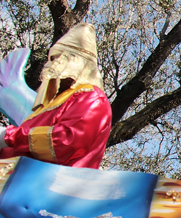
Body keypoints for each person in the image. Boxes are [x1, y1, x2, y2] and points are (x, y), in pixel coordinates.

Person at [0, 23, 112, 168]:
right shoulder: (49, 106)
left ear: (74, 61)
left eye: (56, 59)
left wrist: (9, 136)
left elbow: (66, 141)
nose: (48, 66)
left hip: (55, 185)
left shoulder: (91, 98)